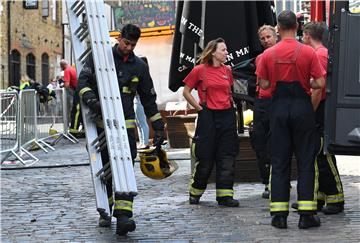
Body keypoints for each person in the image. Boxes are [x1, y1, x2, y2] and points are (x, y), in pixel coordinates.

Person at [77, 24, 165, 236]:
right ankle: (106, 211)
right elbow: (82, 82)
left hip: (126, 130)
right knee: (106, 171)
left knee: (125, 170)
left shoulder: (140, 67)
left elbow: (148, 99)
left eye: (133, 45)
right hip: (102, 128)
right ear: (119, 38)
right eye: (126, 43)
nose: (128, 48)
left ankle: (124, 216)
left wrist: (159, 127)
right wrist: (93, 101)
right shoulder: (99, 59)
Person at [256, 10, 325, 229]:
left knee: (279, 161)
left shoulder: (267, 55)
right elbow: (320, 83)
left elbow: (264, 85)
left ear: (278, 28)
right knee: (305, 160)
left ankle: (279, 215)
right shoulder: (308, 53)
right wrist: (308, 84)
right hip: (302, 108)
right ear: (296, 26)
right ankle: (306, 215)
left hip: (278, 108)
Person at [183, 38, 239, 207]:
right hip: (208, 116)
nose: (226, 52)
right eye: (223, 50)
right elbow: (186, 92)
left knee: (227, 156)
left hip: (227, 116)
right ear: (213, 52)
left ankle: (225, 196)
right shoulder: (199, 70)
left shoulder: (227, 70)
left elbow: (229, 91)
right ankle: (196, 191)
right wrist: (199, 109)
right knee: (205, 157)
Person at [299, 21, 344, 214]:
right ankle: (318, 196)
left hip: (319, 110)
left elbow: (318, 89)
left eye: (303, 35)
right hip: (321, 110)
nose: (302, 37)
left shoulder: (319, 55)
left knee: (323, 155)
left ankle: (335, 198)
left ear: (308, 35)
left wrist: (309, 112)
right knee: (317, 156)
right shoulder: (322, 54)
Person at [251, 25, 277, 199]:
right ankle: (268, 182)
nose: (266, 40)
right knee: (260, 144)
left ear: (276, 36)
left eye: (269, 37)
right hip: (262, 103)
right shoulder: (259, 58)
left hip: (277, 101)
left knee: (278, 144)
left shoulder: (282, 54)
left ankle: (278, 181)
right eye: (263, 38)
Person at [60, 59, 83, 138]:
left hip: (78, 91)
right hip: (82, 90)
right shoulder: (73, 68)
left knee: (75, 111)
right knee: (81, 111)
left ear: (62, 66)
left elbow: (67, 84)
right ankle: (82, 130)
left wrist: (62, 85)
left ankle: (73, 132)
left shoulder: (67, 70)